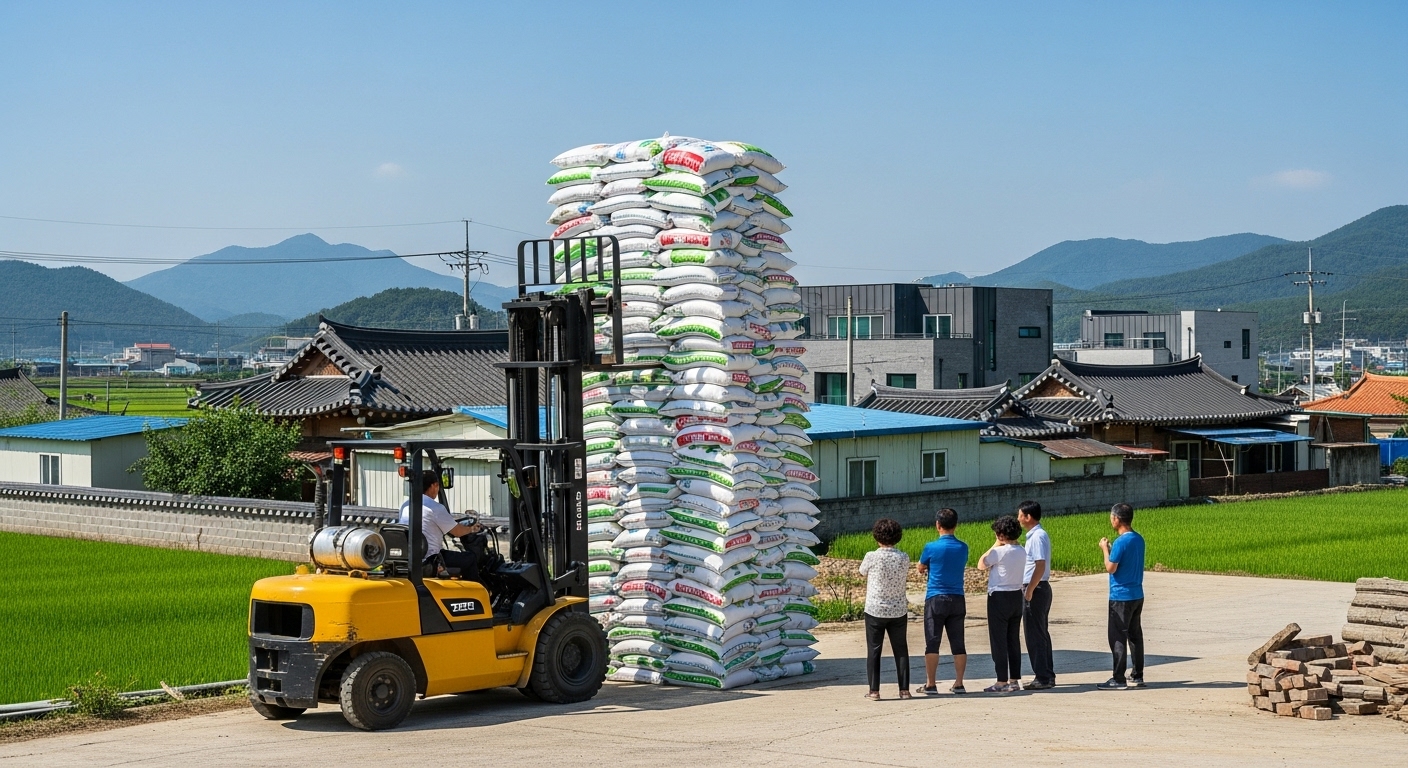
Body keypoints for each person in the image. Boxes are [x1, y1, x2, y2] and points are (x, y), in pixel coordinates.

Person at [914, 507, 968, 695]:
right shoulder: (963, 547)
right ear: (956, 525)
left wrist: (922, 567)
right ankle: (959, 683)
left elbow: (921, 567)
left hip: (936, 597)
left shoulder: (931, 547)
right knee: (958, 642)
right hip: (957, 598)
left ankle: (931, 684)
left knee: (932, 641)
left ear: (938, 525)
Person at [859, 518, 911, 700]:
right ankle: (904, 690)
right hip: (898, 609)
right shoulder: (904, 557)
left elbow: (862, 571)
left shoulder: (871, 556)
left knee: (874, 650)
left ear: (876, 536)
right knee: (901, 649)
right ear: (897, 537)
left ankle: (874, 691)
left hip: (875, 609)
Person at [399, 470, 486, 579]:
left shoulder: (405, 505)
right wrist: (472, 529)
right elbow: (457, 532)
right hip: (430, 559)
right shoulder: (435, 508)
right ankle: (476, 592)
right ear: (434, 485)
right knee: (470, 558)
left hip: (411, 557)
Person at [1098, 502, 1147, 690]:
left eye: (1112, 517)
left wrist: (1105, 548)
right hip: (1137, 594)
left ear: (1117, 519)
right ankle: (1137, 674)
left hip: (1120, 596)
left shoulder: (1120, 542)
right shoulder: (1138, 539)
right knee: (1135, 635)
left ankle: (1118, 678)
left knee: (1117, 636)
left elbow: (1111, 567)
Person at [978, 514, 1027, 693]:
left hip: (999, 597)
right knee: (1013, 639)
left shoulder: (999, 551)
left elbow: (981, 564)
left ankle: (1001, 680)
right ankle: (1014, 679)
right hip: (1016, 595)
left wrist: (995, 545)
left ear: (1000, 534)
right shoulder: (1022, 550)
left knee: (998, 640)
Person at [1019, 500, 1055, 690]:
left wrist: (1030, 590)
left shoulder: (1037, 537)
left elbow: (1040, 565)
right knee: (1040, 633)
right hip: (1038, 587)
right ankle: (1046, 674)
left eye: (1020, 515)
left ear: (1028, 517)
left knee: (1035, 635)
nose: (1018, 519)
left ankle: (1042, 676)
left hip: (1037, 588)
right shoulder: (1034, 535)